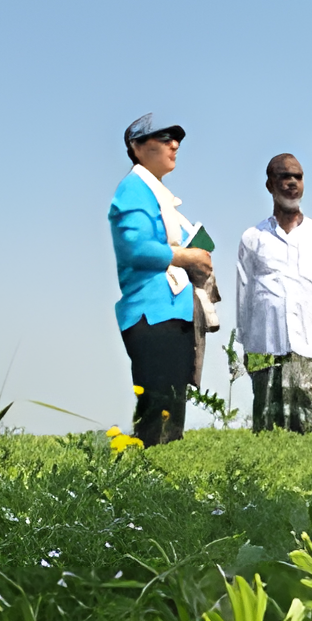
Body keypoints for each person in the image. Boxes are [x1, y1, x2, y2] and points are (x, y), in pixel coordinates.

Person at [108, 114, 215, 445]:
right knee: (158, 407)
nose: (174, 144)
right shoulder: (134, 189)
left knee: (172, 405)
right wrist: (188, 257)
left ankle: (165, 482)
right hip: (151, 312)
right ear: (136, 148)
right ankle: (148, 481)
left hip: (174, 312)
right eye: (164, 137)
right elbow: (136, 248)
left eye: (177, 138)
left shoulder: (162, 197)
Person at [236, 154, 312, 433]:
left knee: (307, 422)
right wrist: (245, 345)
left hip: (306, 344)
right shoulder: (252, 237)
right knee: (266, 421)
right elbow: (243, 295)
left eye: (298, 176)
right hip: (264, 345)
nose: (292, 183)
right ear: (270, 184)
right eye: (285, 177)